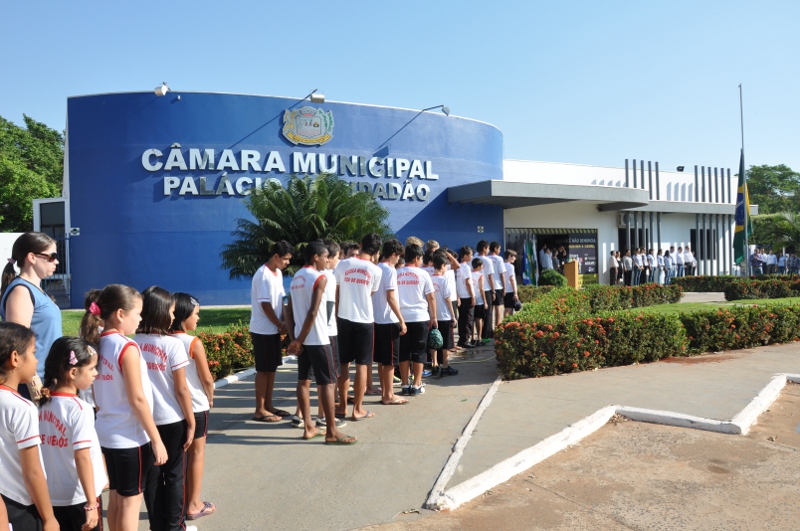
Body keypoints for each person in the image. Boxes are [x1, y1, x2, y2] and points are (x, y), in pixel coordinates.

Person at [84, 284, 167, 531]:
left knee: (117, 499)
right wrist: (156, 439)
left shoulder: (95, 343)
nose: (140, 318)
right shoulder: (126, 347)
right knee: (131, 504)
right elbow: (137, 399)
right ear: (120, 314)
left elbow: (96, 395)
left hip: (106, 433)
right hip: (130, 438)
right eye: (138, 313)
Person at [135, 286, 195, 531]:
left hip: (143, 421)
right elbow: (181, 389)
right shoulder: (172, 345)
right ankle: (175, 526)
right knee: (174, 475)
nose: (173, 316)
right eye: (171, 311)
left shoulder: (132, 343)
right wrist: (191, 421)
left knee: (151, 477)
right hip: (171, 419)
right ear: (160, 312)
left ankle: (157, 527)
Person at [287, 241, 357, 445]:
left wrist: (295, 339)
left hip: (302, 339)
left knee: (303, 381)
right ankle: (331, 431)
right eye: (326, 257)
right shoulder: (320, 277)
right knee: (327, 382)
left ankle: (309, 427)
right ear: (315, 257)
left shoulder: (296, 278)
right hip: (318, 337)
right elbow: (314, 311)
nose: (328, 260)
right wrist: (299, 339)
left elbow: (288, 311)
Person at [38, 337, 106, 531]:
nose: (96, 373)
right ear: (74, 372)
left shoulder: (41, 406)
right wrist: (91, 503)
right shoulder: (80, 409)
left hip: (52, 496)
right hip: (80, 497)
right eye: (92, 368)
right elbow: (82, 457)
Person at [0, 321, 58, 531]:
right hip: (20, 507)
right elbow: (32, 472)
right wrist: (49, 518)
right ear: (15, 358)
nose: (36, 359)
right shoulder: (21, 408)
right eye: (33, 352)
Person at [169, 293, 216, 522]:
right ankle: (193, 504)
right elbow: (206, 378)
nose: (198, 318)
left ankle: (177, 504)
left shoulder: (163, 340)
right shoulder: (193, 343)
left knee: (177, 459)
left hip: (172, 408)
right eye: (196, 314)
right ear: (183, 315)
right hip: (196, 406)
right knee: (196, 454)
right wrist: (210, 397)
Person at [1, 232, 62, 400]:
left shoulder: (36, 290)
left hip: (47, 380)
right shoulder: (21, 291)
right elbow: (18, 344)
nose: (56, 261)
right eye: (52, 256)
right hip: (32, 384)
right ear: (32, 257)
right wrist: (35, 386)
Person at [334, 233, 382, 420]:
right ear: (377, 251)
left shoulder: (343, 264)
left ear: (361, 244)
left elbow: (337, 292)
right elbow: (370, 293)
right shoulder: (376, 270)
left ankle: (342, 406)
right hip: (364, 319)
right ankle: (358, 409)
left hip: (344, 317)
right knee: (362, 365)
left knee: (343, 364)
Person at [250, 240, 293, 423]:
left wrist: (285, 322)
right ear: (276, 256)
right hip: (262, 330)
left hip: (273, 329)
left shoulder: (278, 273)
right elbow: (265, 304)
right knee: (263, 369)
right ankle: (259, 410)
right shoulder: (263, 275)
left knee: (272, 368)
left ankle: (268, 405)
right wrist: (278, 323)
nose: (288, 262)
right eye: (285, 259)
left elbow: (280, 300)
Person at [396, 244, 437, 396]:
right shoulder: (423, 274)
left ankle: (405, 384)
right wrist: (434, 317)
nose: (421, 261)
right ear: (416, 258)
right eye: (420, 259)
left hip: (401, 318)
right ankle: (417, 384)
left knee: (404, 351)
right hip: (420, 317)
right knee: (419, 351)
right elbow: (431, 297)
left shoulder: (396, 273)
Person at [372, 239, 408, 406]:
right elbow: (391, 297)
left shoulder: (375, 268)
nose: (398, 259)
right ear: (393, 254)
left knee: (382, 360)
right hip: (388, 319)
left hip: (376, 319)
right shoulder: (390, 270)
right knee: (390, 361)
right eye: (398, 256)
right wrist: (401, 319)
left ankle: (385, 392)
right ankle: (388, 395)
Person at [430, 252, 458, 376]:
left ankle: (435, 364)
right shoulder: (444, 280)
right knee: (446, 342)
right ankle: (445, 367)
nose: (446, 268)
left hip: (432, 316)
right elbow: (448, 299)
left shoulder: (429, 279)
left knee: (433, 340)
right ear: (442, 265)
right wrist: (453, 315)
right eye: (446, 266)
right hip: (444, 315)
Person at [456, 246, 476, 349]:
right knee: (468, 319)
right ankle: (465, 340)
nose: (472, 257)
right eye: (471, 255)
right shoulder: (466, 267)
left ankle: (461, 339)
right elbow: (468, 282)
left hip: (460, 295)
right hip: (467, 295)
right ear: (465, 255)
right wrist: (472, 296)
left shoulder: (457, 267)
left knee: (462, 319)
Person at [475, 241, 496, 342]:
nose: (488, 250)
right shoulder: (488, 261)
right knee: (488, 313)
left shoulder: (473, 258)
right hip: (486, 289)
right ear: (484, 248)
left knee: (477, 314)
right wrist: (493, 291)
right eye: (488, 248)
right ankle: (485, 336)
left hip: (475, 289)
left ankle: (476, 335)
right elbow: (490, 276)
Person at [488, 242, 506, 335]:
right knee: (498, 307)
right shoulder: (499, 259)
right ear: (495, 249)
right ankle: (497, 328)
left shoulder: (486, 258)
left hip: (488, 286)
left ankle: (489, 328)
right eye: (499, 249)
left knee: (490, 308)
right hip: (498, 285)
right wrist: (504, 287)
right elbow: (502, 274)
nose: (499, 251)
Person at [470, 258, 485, 344]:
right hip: (479, 299)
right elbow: (481, 288)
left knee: (472, 319)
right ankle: (479, 338)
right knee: (479, 319)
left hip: (470, 298)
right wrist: (485, 301)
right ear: (479, 266)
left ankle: (472, 338)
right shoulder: (480, 275)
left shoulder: (469, 274)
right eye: (482, 265)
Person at [503, 250, 519, 316]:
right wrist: (515, 292)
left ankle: (504, 320)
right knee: (510, 308)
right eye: (514, 257)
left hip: (504, 289)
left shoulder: (502, 265)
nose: (515, 259)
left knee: (506, 308)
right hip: (510, 289)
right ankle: (509, 321)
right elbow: (512, 279)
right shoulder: (511, 266)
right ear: (509, 256)